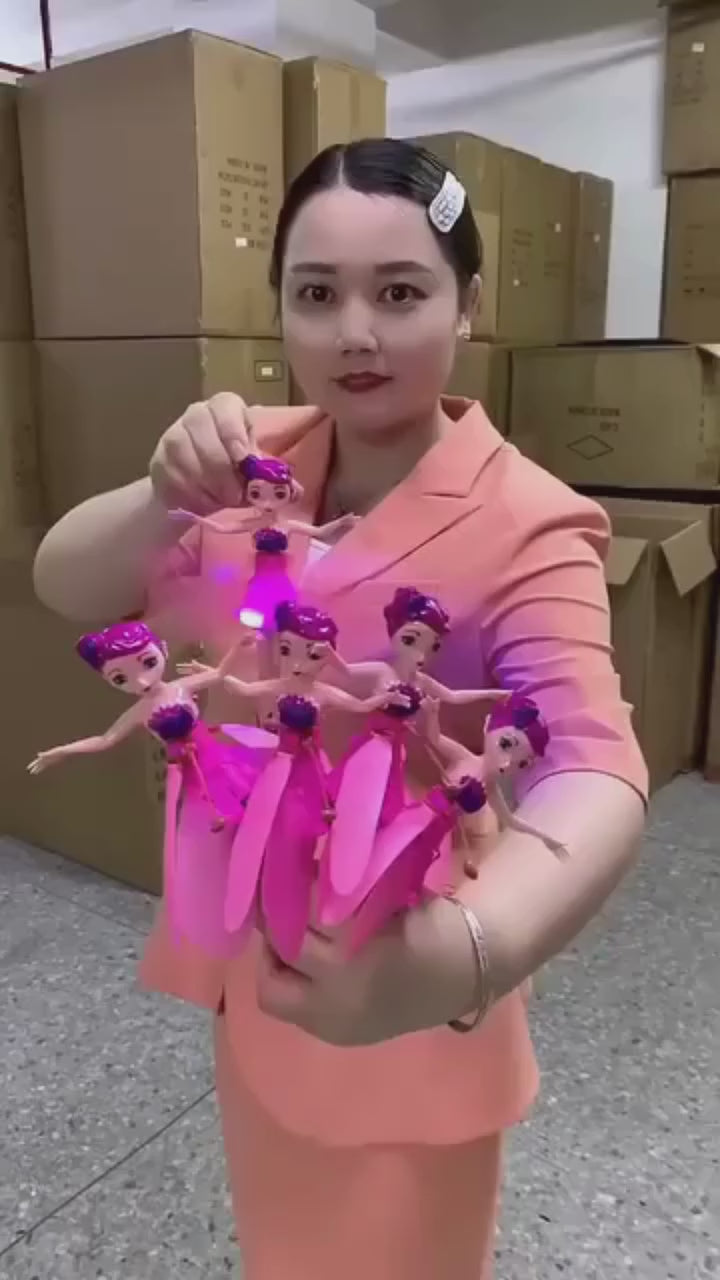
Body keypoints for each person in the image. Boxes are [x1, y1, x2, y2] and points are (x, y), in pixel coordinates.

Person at [34, 138, 647, 1279]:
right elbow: (67, 583)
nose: (355, 332)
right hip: (256, 962)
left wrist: (464, 951)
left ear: (470, 303)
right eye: (317, 294)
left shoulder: (531, 522)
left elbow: (596, 764)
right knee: (284, 1242)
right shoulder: (252, 463)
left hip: (406, 972)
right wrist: (162, 493)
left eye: (400, 293)